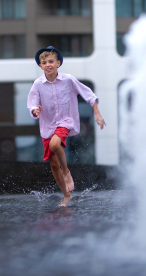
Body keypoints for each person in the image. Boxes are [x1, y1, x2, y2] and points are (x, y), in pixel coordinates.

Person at [27, 46, 106, 206]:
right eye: (44, 62)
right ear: (40, 66)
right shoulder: (37, 84)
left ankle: (67, 171)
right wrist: (36, 111)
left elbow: (88, 94)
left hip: (65, 121)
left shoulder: (68, 79)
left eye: (51, 61)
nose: (48, 64)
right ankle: (66, 195)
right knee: (53, 164)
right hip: (48, 126)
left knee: (55, 144)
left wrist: (97, 112)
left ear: (58, 63)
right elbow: (32, 105)